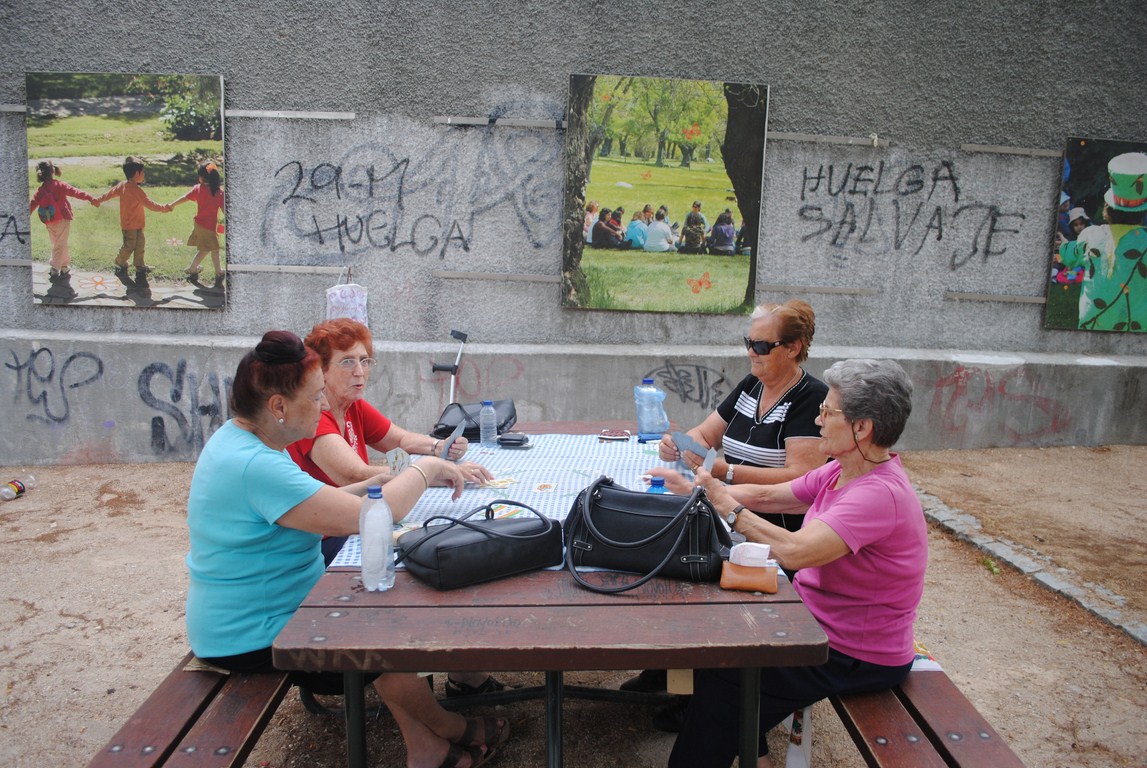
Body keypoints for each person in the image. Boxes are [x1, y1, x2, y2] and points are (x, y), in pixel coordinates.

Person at [186, 331, 509, 768]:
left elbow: (314, 503)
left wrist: (375, 482)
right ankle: (449, 727)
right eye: (315, 397)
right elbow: (376, 515)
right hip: (256, 636)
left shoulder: (243, 439)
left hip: (255, 616)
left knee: (380, 605)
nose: (323, 405)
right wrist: (425, 468)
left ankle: (426, 746)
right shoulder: (256, 464)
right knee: (383, 629)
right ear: (278, 406)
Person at [667, 358, 926, 768]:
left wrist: (724, 503)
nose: (818, 420)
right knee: (720, 638)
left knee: (725, 671)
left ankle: (710, 751)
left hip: (853, 653)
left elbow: (793, 551)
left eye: (827, 411)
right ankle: (746, 744)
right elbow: (768, 497)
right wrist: (699, 489)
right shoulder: (843, 470)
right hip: (816, 623)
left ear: (862, 427)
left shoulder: (878, 495)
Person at [627, 301, 828, 714]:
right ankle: (670, 664)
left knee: (685, 562)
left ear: (794, 347)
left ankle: (701, 688)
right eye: (747, 342)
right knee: (665, 550)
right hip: (728, 512)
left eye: (761, 345)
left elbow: (800, 479)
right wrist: (678, 443)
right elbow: (705, 433)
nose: (751, 351)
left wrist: (725, 471)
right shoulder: (752, 385)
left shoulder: (811, 398)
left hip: (769, 529)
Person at [286, 319, 501, 699]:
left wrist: (438, 449)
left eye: (366, 361)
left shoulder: (352, 406)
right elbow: (353, 473)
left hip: (355, 522)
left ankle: (461, 669)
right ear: (320, 370)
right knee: (424, 561)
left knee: (440, 545)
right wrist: (429, 472)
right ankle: (439, 672)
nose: (360, 371)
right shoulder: (315, 418)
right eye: (348, 362)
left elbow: (398, 438)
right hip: (329, 538)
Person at [1055, 152, 1147, 331]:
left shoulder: (1091, 235)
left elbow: (1069, 256)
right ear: (1142, 213)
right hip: (1139, 327)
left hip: (1094, 324)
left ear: (1107, 209)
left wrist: (1064, 244)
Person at [95, 156, 172, 278]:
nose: (144, 174)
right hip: (129, 225)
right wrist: (164, 208)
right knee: (129, 246)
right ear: (136, 174)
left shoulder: (123, 185)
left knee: (140, 245)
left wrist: (98, 200)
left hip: (138, 224)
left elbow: (108, 194)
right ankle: (119, 261)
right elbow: (150, 205)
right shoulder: (136, 190)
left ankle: (139, 265)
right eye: (143, 172)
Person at [27, 160, 100, 280]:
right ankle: (55, 268)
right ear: (52, 171)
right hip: (62, 219)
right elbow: (76, 192)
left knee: (59, 243)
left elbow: (32, 205)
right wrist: (90, 198)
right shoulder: (60, 185)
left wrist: (24, 218)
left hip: (49, 220)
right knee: (60, 244)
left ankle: (64, 266)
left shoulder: (40, 190)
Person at [169, 161, 225, 280]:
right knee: (211, 250)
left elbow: (185, 197)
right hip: (208, 227)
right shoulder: (218, 193)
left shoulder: (198, 189)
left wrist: (173, 204)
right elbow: (225, 210)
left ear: (201, 178)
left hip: (199, 224)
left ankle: (201, 269)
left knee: (208, 249)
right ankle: (206, 270)